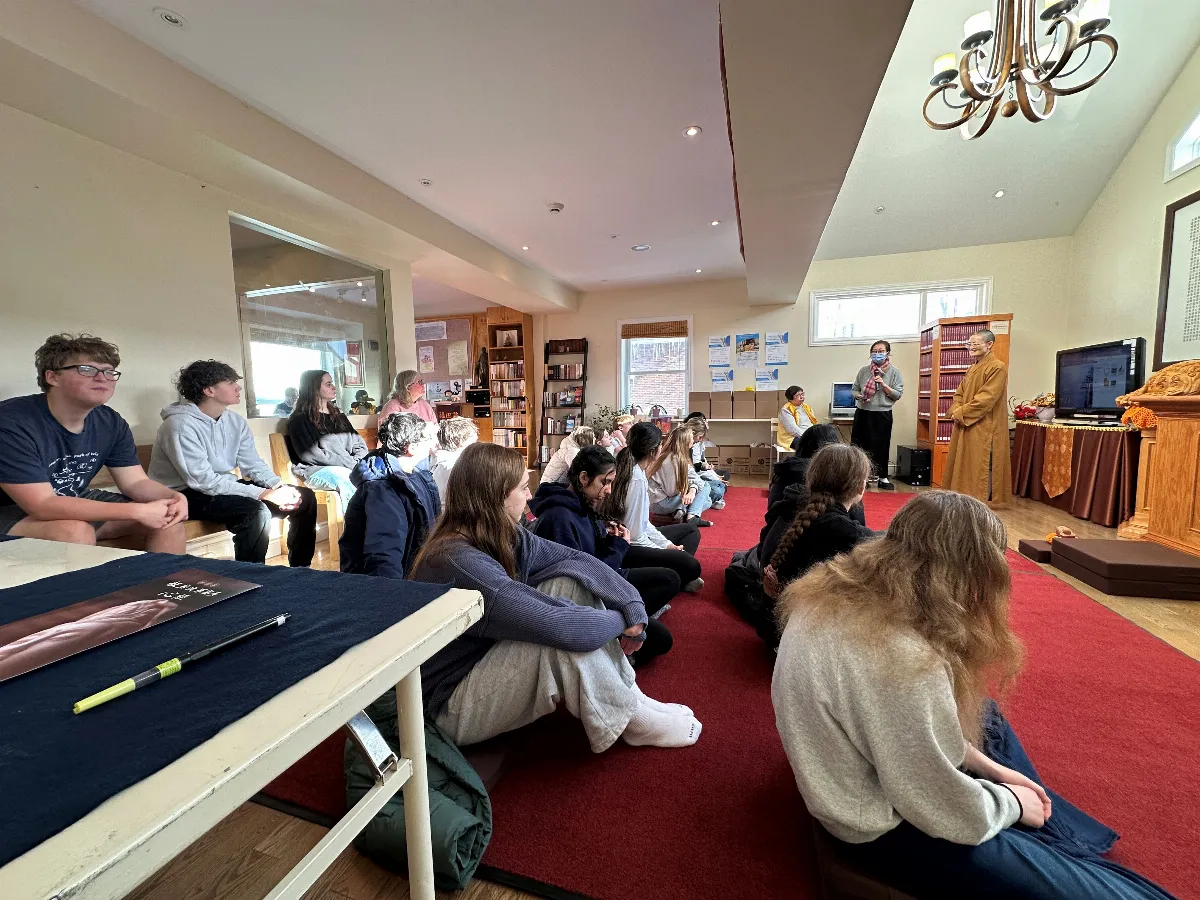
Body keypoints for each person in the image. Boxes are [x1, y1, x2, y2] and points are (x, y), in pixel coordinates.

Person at [772, 491, 1177, 900]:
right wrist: (1010, 804)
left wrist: (996, 772)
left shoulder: (830, 593)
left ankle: (1053, 835)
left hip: (866, 771)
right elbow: (936, 806)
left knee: (987, 717)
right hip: (880, 825)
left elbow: (898, 721)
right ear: (970, 571)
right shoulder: (905, 660)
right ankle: (1050, 836)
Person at [410, 442, 702, 752]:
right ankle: (631, 720)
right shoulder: (459, 561)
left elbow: (576, 560)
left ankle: (631, 699)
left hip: (478, 660)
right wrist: (620, 622)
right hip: (444, 707)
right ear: (496, 495)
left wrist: (632, 607)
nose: (529, 497)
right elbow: (561, 627)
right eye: (523, 488)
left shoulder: (499, 533)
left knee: (570, 582)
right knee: (562, 643)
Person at [0, 334, 187, 551]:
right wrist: (137, 511)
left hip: (69, 499)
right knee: (74, 532)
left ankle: (162, 586)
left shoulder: (110, 422)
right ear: (52, 377)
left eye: (109, 372)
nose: (102, 378)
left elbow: (135, 483)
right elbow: (42, 505)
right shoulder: (12, 423)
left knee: (168, 520)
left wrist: (173, 497)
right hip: (12, 508)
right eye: (86, 369)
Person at [149, 360, 317, 566]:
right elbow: (202, 481)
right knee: (255, 511)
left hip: (219, 487)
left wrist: (278, 487)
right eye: (230, 382)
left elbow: (252, 464)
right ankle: (250, 577)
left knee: (304, 497)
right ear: (209, 390)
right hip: (183, 494)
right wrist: (263, 494)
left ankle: (301, 570)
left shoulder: (234, 421)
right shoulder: (179, 425)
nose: (238, 387)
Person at [529, 446, 679, 667]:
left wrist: (607, 536)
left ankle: (627, 628)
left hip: (604, 578)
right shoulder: (558, 519)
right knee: (661, 639)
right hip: (587, 600)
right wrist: (618, 546)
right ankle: (610, 650)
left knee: (669, 579)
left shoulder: (580, 504)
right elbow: (584, 581)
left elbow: (590, 558)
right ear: (583, 478)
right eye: (604, 482)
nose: (609, 490)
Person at [762, 444, 875, 600]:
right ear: (861, 487)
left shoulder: (792, 501)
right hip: (804, 612)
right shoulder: (844, 530)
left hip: (780, 600)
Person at [604, 423, 704, 593]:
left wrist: (667, 546)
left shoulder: (637, 470)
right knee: (692, 566)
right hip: (629, 547)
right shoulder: (635, 479)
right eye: (660, 445)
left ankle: (675, 572)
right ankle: (677, 575)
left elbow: (643, 522)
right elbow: (635, 536)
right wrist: (663, 549)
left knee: (691, 530)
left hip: (637, 536)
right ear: (653, 451)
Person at [339, 412, 440, 579]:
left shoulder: (419, 476)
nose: (434, 443)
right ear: (411, 448)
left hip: (414, 577)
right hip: (389, 586)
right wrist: (391, 596)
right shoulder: (382, 488)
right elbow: (384, 554)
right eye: (427, 438)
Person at [943, 328, 1012, 507]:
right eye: (969, 344)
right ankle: (961, 498)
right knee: (964, 461)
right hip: (966, 421)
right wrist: (957, 408)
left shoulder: (997, 367)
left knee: (978, 462)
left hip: (983, 424)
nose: (971, 347)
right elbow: (959, 393)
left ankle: (978, 500)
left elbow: (986, 398)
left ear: (989, 345)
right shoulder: (973, 367)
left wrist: (960, 413)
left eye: (976, 344)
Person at [286, 369, 369, 513]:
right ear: (314, 388)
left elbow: (359, 443)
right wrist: (351, 465)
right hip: (315, 470)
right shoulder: (299, 419)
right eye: (328, 384)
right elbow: (311, 455)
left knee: (377, 477)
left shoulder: (339, 416)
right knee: (347, 478)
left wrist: (358, 462)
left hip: (348, 465)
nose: (334, 387)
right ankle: (354, 531)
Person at [851, 340, 904, 490]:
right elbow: (854, 389)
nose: (877, 353)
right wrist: (858, 396)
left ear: (887, 353)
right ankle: (860, 478)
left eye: (881, 351)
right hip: (863, 412)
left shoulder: (894, 372)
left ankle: (883, 477)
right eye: (874, 351)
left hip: (882, 414)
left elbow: (897, 394)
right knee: (859, 446)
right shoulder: (863, 371)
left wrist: (884, 385)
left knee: (881, 446)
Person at [647, 426, 712, 526]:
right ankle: (691, 516)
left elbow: (695, 479)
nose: (693, 440)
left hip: (663, 500)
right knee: (706, 491)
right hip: (661, 503)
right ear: (686, 441)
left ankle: (681, 511)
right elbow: (671, 491)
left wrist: (692, 490)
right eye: (691, 437)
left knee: (707, 500)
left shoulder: (677, 456)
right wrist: (689, 490)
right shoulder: (671, 460)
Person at [430, 416, 479, 502]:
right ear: (461, 441)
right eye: (474, 440)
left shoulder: (443, 461)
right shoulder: (451, 466)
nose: (476, 443)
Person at [684, 419, 727, 508]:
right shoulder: (685, 447)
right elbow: (694, 471)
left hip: (695, 479)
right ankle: (699, 504)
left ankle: (703, 500)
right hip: (690, 481)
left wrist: (712, 473)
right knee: (717, 490)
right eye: (700, 437)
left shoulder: (698, 443)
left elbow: (700, 464)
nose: (700, 440)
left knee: (721, 482)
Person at [776, 386, 818, 452]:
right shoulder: (786, 410)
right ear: (790, 398)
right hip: (792, 437)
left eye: (802, 394)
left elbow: (812, 423)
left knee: (824, 442)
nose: (801, 397)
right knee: (808, 447)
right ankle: (807, 462)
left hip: (809, 434)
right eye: (798, 395)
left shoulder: (806, 407)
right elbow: (793, 430)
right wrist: (807, 437)